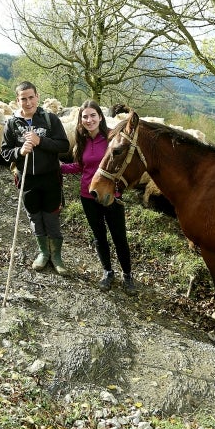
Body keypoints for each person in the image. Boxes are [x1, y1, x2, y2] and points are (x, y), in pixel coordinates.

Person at [61, 101, 136, 294]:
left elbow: (122, 165)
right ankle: (107, 272)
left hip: (111, 195)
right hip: (88, 195)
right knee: (99, 236)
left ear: (100, 117)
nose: (89, 120)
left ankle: (127, 275)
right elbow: (80, 166)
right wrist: (58, 167)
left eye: (93, 115)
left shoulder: (112, 137)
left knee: (119, 237)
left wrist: (120, 187)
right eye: (85, 116)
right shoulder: (82, 140)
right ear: (80, 120)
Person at [1, 81, 70, 275]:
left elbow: (63, 145)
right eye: (23, 99)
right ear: (17, 100)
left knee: (51, 216)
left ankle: (56, 256)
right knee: (34, 216)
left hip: (50, 178)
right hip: (27, 180)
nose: (28, 102)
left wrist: (41, 141)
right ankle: (43, 252)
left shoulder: (50, 119)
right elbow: (5, 152)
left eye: (31, 97)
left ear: (37, 97)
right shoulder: (12, 124)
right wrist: (19, 151)